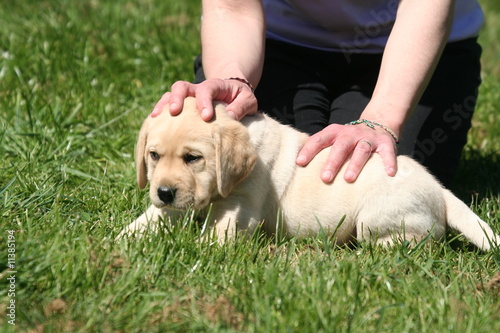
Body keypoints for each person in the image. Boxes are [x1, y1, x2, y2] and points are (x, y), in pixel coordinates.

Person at [152, 0, 483, 188]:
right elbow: (232, 7)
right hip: (277, 42)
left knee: (373, 185)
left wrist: (380, 120)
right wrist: (233, 77)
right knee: (270, 178)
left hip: (415, 48)